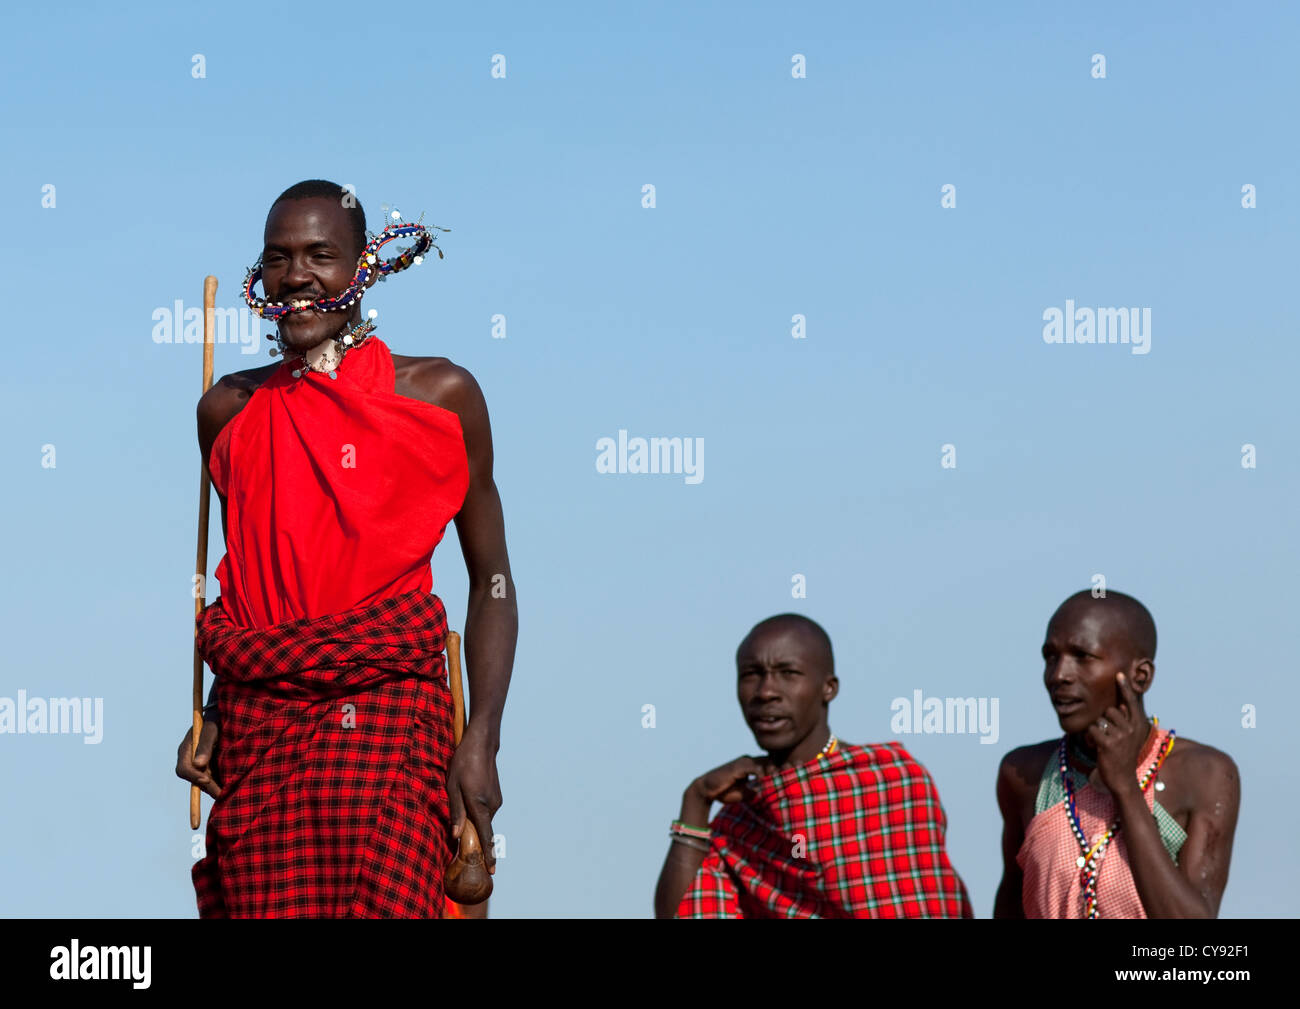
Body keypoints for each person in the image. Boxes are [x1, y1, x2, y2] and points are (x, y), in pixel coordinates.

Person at [173, 180, 517, 917]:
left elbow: (493, 580)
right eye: (279, 257)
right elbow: (261, 579)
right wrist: (212, 710)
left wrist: (481, 736)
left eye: (321, 255)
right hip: (263, 729)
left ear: (366, 265)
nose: (297, 275)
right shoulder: (227, 408)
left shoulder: (440, 395)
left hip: (389, 720)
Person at [655, 614, 972, 918]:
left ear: (828, 688)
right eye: (751, 674)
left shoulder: (892, 781)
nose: (766, 692)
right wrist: (696, 799)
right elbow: (681, 914)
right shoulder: (740, 820)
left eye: (788, 673)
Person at [994, 590, 1240, 918]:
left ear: (1140, 676)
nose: (1058, 675)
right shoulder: (1026, 775)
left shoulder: (1204, 774)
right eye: (1050, 657)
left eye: (1082, 656)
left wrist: (1125, 785)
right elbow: (1010, 904)